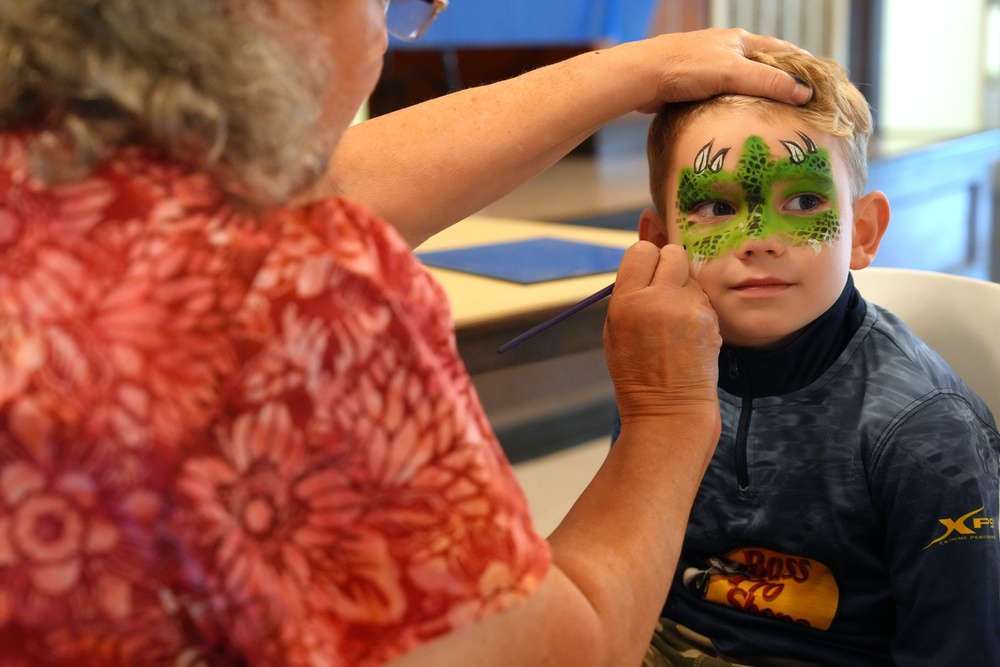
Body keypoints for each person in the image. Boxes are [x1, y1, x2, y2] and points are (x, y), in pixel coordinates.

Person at [0, 1, 814, 665]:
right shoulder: (290, 288)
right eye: (393, 6)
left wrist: (641, 66)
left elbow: (328, 186)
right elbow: (556, 655)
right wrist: (670, 415)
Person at [624, 51, 1000, 666]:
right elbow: (626, 564)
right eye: (717, 208)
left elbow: (959, 649)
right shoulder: (656, 371)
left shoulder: (926, 433)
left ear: (863, 232)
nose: (759, 239)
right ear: (660, 243)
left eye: (802, 202)